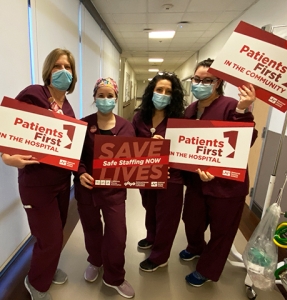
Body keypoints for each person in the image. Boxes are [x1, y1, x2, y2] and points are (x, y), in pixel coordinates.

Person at [1, 48, 77, 300]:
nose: (63, 71)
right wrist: (6, 156)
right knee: (50, 238)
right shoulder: (34, 94)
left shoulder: (68, 109)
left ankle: (47, 268)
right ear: (48, 70)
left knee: (57, 232)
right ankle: (35, 281)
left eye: (68, 67)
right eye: (57, 66)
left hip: (61, 182)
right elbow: (7, 124)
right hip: (36, 183)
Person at [180, 58, 258, 287]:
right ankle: (195, 248)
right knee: (191, 220)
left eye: (207, 80)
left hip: (226, 185)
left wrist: (243, 110)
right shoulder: (191, 109)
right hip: (196, 183)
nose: (200, 83)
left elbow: (246, 141)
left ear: (218, 82)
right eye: (197, 79)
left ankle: (207, 269)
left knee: (221, 231)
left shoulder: (232, 106)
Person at [74, 77, 135, 299]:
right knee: (91, 230)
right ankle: (95, 260)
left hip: (114, 193)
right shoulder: (83, 125)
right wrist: (80, 173)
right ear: (94, 97)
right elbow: (75, 157)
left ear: (116, 98)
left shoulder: (126, 127)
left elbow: (134, 159)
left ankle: (115, 276)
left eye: (110, 96)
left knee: (117, 235)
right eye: (101, 95)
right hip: (87, 191)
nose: (106, 99)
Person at [132, 72, 185, 272]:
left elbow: (187, 150)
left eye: (168, 91)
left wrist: (167, 148)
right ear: (151, 92)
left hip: (172, 177)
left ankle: (160, 256)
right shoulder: (140, 117)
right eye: (159, 90)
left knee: (167, 217)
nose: (163, 95)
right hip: (146, 174)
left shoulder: (180, 120)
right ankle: (151, 237)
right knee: (150, 207)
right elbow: (131, 144)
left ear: (174, 96)